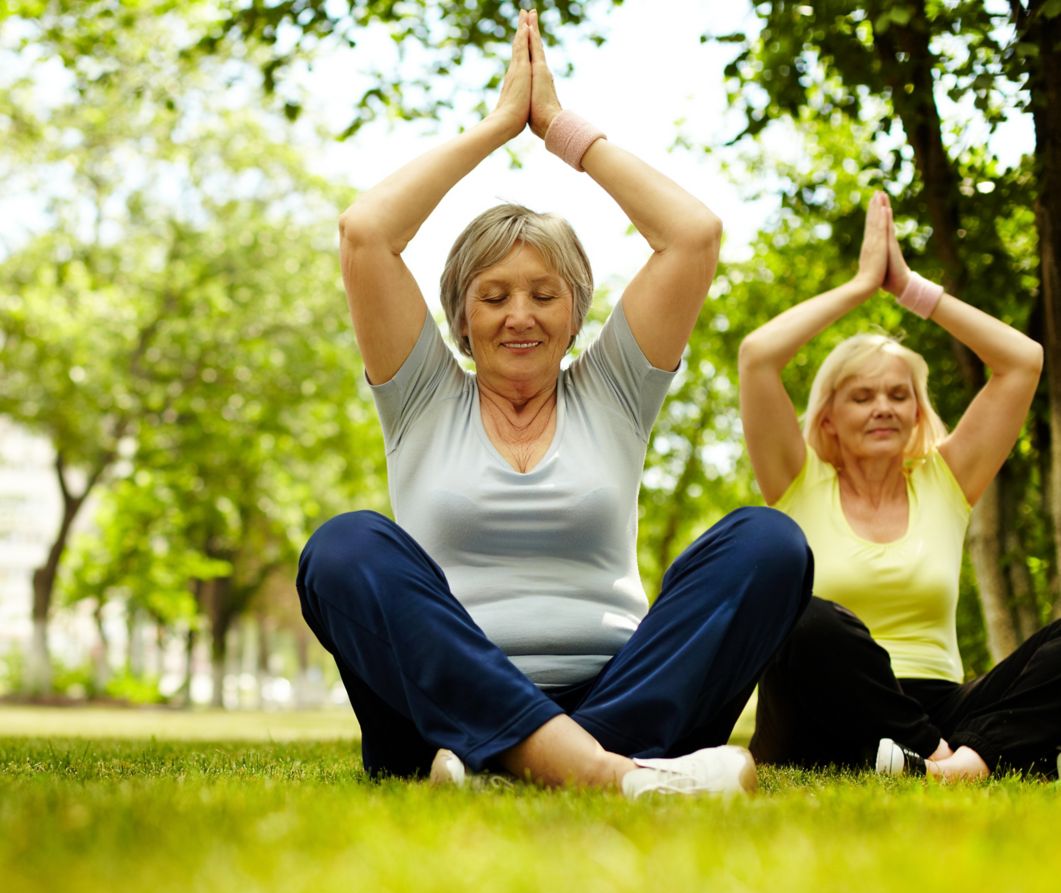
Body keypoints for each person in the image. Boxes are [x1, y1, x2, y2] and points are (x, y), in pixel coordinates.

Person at [296, 10, 812, 796]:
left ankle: (512, 764)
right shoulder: (423, 394)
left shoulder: (611, 390)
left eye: (544, 293)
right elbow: (365, 232)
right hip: (440, 702)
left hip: (623, 693)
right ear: (459, 314)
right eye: (493, 295)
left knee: (768, 542)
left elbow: (692, 236)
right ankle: (609, 771)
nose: (519, 315)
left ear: (576, 309)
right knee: (343, 547)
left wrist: (563, 130)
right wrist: (502, 125)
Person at [739, 190, 1058, 780]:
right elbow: (758, 356)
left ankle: (955, 764)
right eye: (862, 396)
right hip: (820, 709)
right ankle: (941, 763)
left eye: (898, 394)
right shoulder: (796, 479)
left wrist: (911, 289)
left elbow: (1023, 360)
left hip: (939, 709)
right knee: (802, 615)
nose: (882, 408)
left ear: (917, 411)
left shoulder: (945, 482)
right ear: (828, 417)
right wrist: (864, 284)